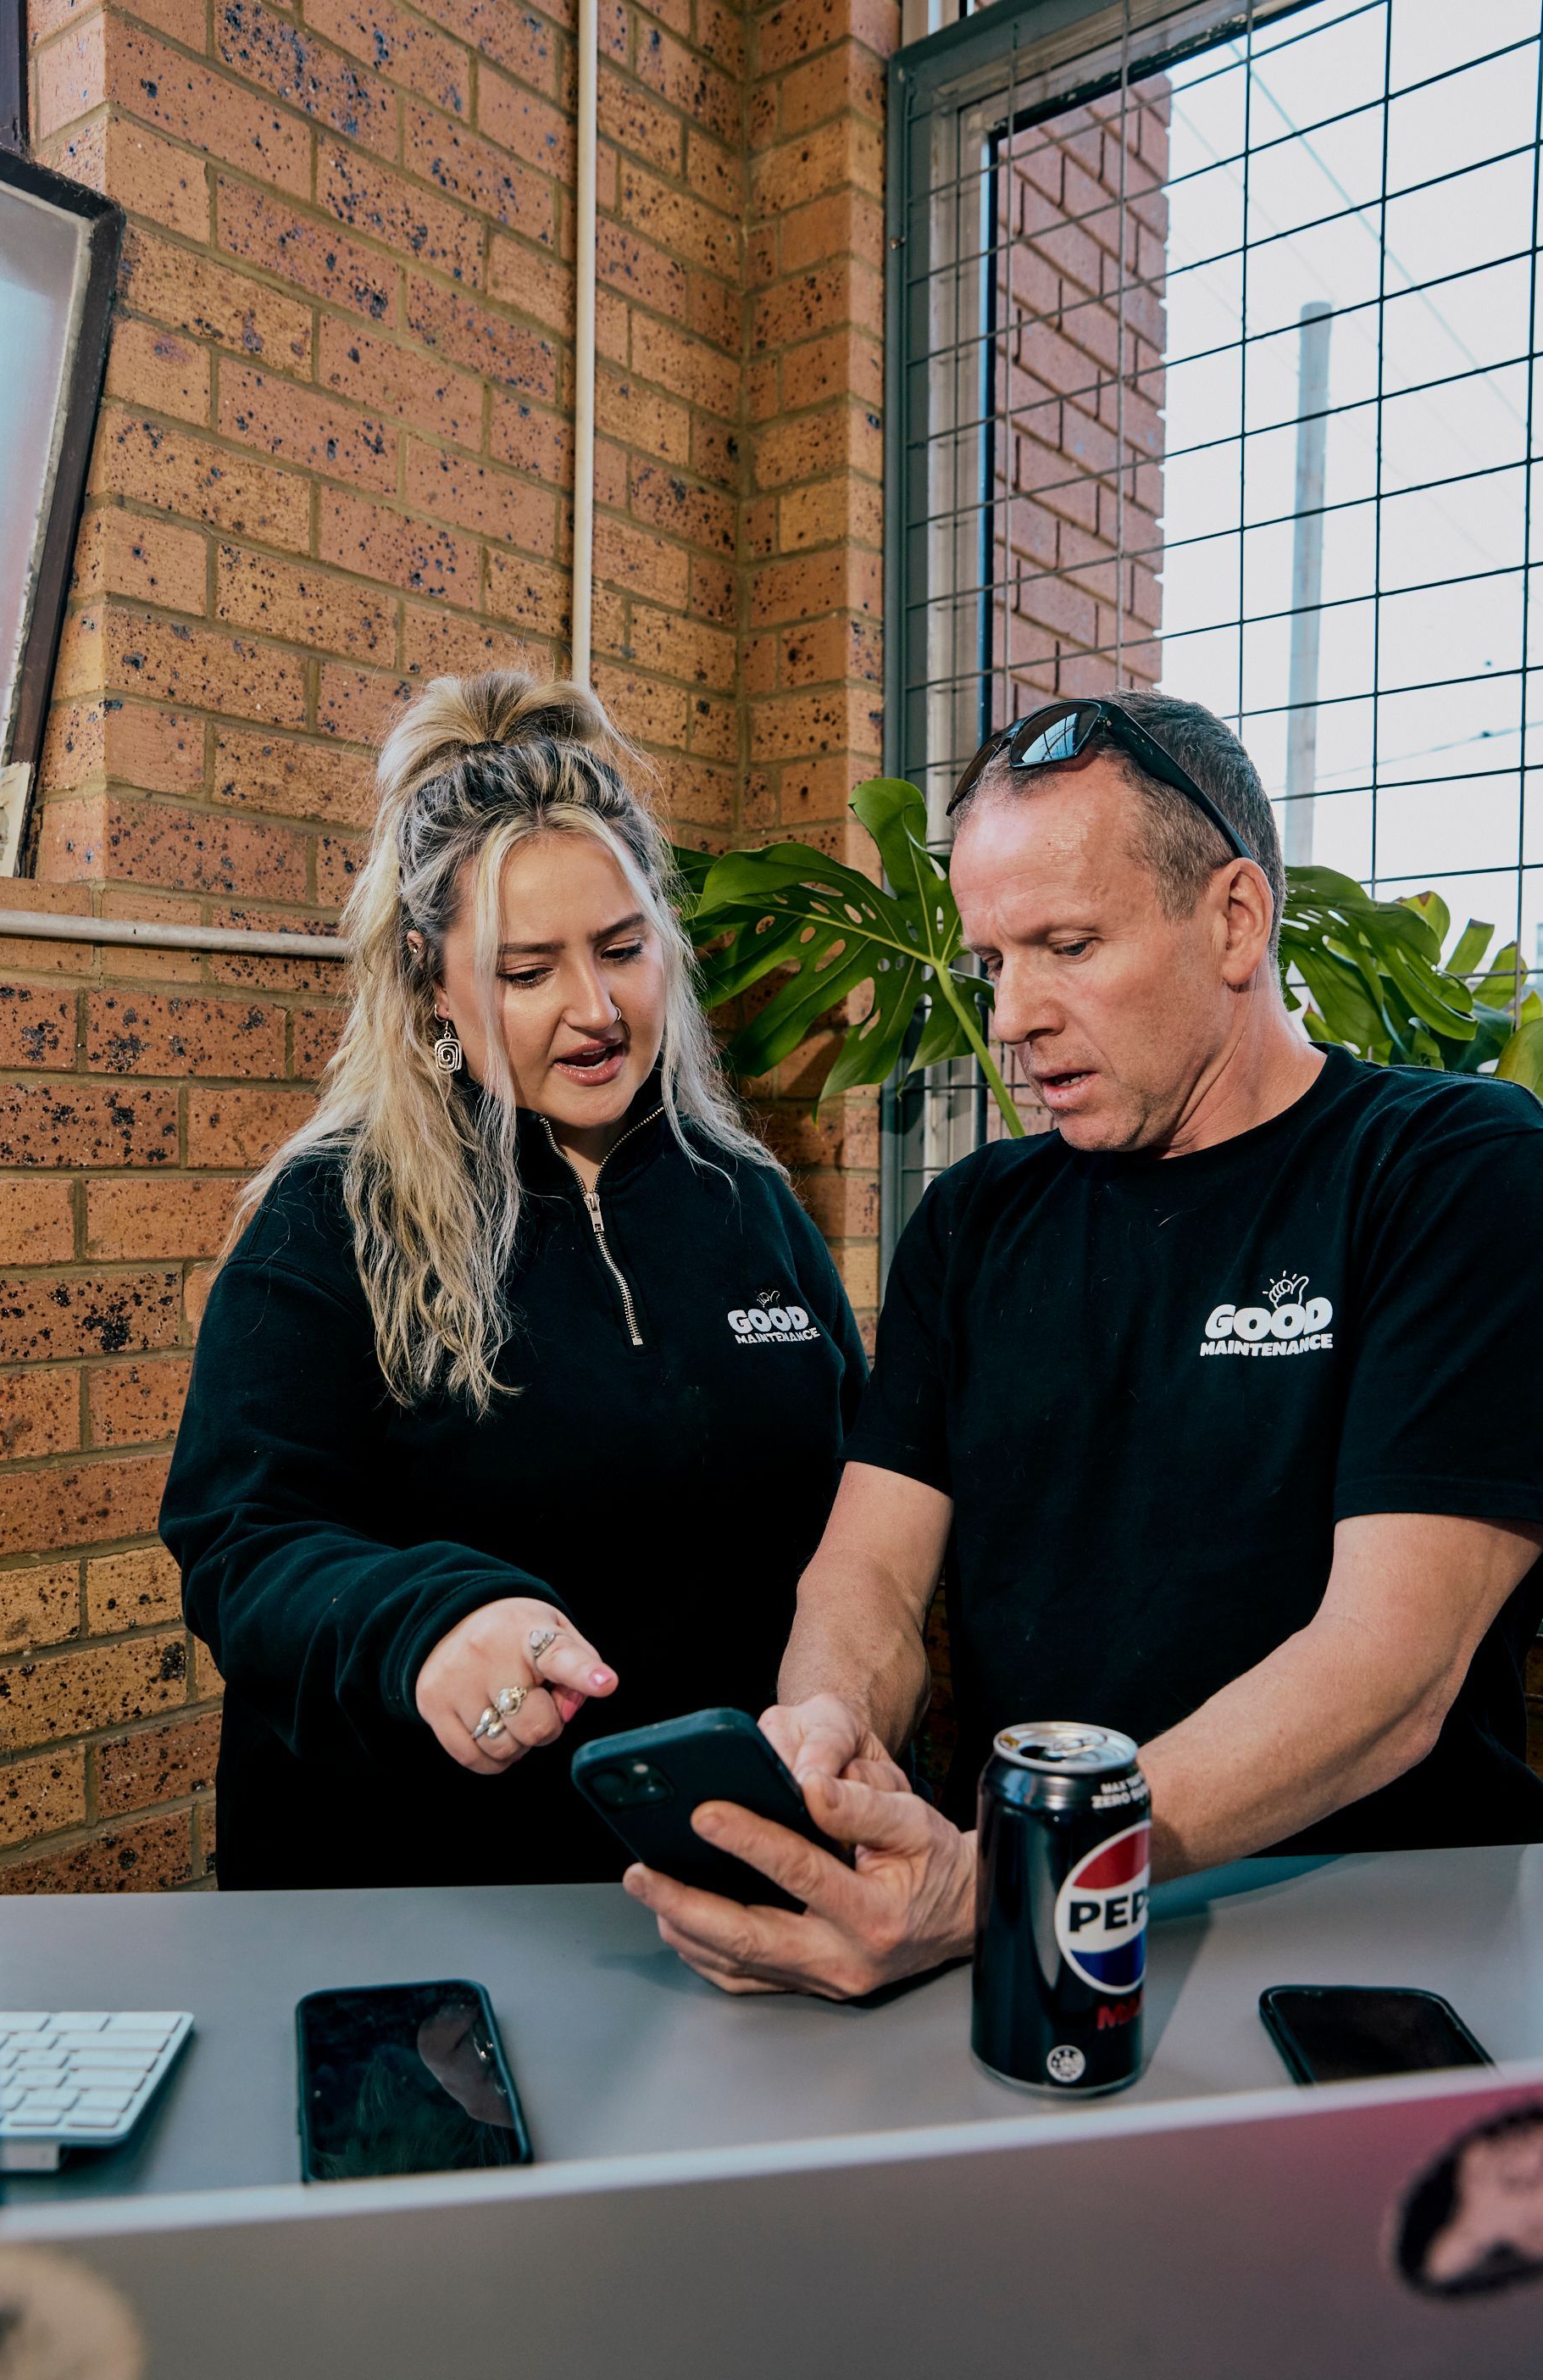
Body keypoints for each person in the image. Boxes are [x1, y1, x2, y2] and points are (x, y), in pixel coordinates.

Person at [624, 691, 1543, 1998]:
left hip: (1373, 1949)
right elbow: (867, 1575)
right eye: (994, 963)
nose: (1011, 1016)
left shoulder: (1447, 1173)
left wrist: (1024, 1864)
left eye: (1065, 946)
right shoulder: (974, 1222)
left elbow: (1388, 1675)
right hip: (1029, 1934)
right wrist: (832, 1731)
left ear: (1234, 919)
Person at [160, 670, 867, 1888]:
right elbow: (243, 1541)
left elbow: (854, 1499)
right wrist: (426, 1623)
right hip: (426, 1892)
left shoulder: (745, 1200)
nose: (595, 1010)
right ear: (431, 983)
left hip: (714, 1885)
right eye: (527, 971)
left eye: (621, 950)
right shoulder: (334, 1213)